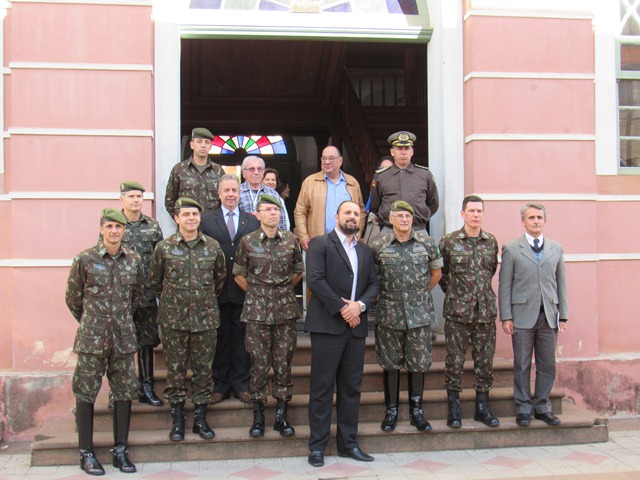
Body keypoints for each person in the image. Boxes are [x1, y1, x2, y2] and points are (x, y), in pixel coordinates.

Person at [66, 208, 143, 475]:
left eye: (119, 227)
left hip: (123, 338)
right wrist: (93, 322)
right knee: (85, 392)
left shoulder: (133, 260)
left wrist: (119, 320)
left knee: (124, 392)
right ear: (101, 229)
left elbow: (137, 297)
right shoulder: (85, 259)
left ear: (124, 231)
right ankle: (86, 453)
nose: (114, 231)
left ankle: (120, 450)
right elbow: (73, 299)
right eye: (109, 226)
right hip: (92, 339)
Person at [305, 200, 379, 467]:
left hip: (355, 328)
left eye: (356, 213)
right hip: (327, 327)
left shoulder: (365, 250)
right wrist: (342, 308)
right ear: (336, 216)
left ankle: (348, 444)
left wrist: (358, 306)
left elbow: (373, 283)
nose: (352, 217)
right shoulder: (320, 244)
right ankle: (317, 447)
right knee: (322, 388)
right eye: (347, 212)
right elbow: (315, 280)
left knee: (351, 388)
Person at [149, 198, 226, 441]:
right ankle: (178, 420)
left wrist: (200, 301)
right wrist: (177, 302)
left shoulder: (213, 247)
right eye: (186, 214)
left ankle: (201, 419)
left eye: (195, 214)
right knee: (176, 372)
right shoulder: (164, 248)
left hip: (205, 320)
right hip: (174, 321)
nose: (191, 218)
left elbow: (219, 279)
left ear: (200, 217)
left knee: (204, 371)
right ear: (177, 218)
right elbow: (154, 282)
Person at [233, 194, 304, 438]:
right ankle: (258, 416)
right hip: (256, 312)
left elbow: (298, 271)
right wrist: (258, 292)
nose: (273, 214)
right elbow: (239, 274)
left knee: (283, 362)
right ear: (258, 214)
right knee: (259, 363)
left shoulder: (291, 240)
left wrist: (280, 289)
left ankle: (282, 416)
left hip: (285, 311)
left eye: (276, 210)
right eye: (267, 210)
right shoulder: (247, 241)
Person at [370, 201, 442, 433]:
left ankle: (416, 411)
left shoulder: (427, 243)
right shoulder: (378, 245)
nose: (404, 220)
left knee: (418, 363)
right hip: (389, 314)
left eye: (408, 217)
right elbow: (372, 279)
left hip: (419, 315)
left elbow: (436, 273)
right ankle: (391, 410)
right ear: (391, 219)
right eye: (399, 216)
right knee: (390, 363)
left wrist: (417, 294)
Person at [499, 203, 568, 427]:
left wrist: (563, 315)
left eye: (539, 217)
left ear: (545, 221)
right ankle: (523, 408)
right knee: (521, 364)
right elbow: (504, 285)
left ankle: (542, 406)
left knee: (547, 364)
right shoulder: (511, 248)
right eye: (531, 218)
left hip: (549, 315)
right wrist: (506, 316)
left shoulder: (556, 248)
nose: (536, 221)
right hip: (521, 315)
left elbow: (562, 283)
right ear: (523, 222)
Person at [439, 195, 500, 429]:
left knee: (484, 361)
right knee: (454, 362)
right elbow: (441, 274)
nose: (476, 215)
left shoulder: (490, 241)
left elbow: (490, 271)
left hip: (485, 311)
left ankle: (482, 408)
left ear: (483, 214)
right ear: (462, 214)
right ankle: (454, 409)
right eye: (471, 211)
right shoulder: (449, 241)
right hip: (457, 313)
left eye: (479, 211)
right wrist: (456, 294)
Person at [200, 174, 260, 404]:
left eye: (234, 190)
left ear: (239, 193)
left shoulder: (251, 221)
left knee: (243, 340)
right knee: (221, 339)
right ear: (219, 194)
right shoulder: (207, 221)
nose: (231, 194)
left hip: (244, 290)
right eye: (226, 190)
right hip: (218, 291)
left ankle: (241, 383)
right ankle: (221, 384)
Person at [117, 181, 164, 407]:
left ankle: (147, 387)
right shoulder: (114, 225)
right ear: (122, 199)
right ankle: (121, 389)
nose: (136, 200)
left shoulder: (152, 226)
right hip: (122, 298)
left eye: (139, 196)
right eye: (131, 196)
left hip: (146, 296)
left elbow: (160, 259)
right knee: (121, 344)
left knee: (146, 343)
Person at [294, 146, 365, 251]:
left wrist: (357, 234)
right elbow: (300, 211)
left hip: (347, 243)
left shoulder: (352, 183)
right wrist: (303, 236)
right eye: (324, 158)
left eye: (331, 158)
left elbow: (361, 211)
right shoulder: (310, 182)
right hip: (319, 242)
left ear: (340, 161)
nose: (327, 162)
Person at [369, 131, 439, 234]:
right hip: (389, 231)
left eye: (407, 149)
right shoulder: (381, 176)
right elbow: (375, 206)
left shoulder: (424, 175)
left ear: (412, 152)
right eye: (399, 149)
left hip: (418, 230)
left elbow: (433, 203)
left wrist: (422, 215)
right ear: (392, 152)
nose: (403, 152)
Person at [165, 128, 225, 216]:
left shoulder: (218, 171)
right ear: (192, 145)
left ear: (211, 146)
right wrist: (181, 219)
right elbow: (169, 201)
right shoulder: (179, 169)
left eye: (207, 142)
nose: (203, 145)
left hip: (212, 225)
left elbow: (224, 199)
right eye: (199, 142)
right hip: (188, 224)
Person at [238, 156, 290, 230]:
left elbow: (282, 220)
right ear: (243, 173)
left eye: (259, 169)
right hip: (243, 239)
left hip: (269, 239)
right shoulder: (236, 192)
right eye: (251, 169)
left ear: (263, 172)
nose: (256, 172)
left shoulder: (272, 193)